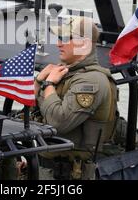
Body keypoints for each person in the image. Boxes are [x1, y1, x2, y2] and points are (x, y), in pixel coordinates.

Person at [34, 16, 120, 180]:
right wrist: (38, 82)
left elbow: (57, 122)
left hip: (71, 174)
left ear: (85, 44)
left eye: (66, 38)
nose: (59, 43)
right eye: (59, 38)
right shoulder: (66, 74)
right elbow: (35, 111)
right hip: (47, 169)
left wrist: (48, 85)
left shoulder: (91, 81)